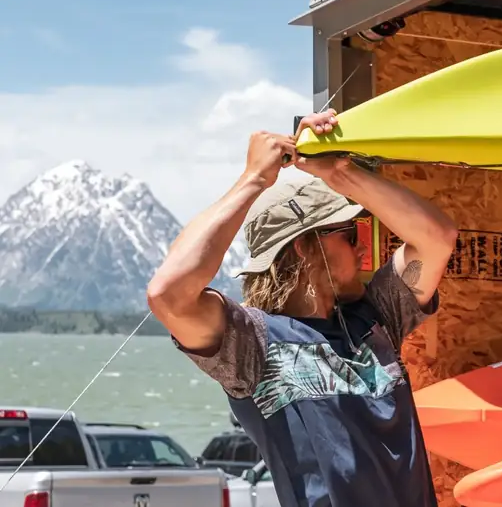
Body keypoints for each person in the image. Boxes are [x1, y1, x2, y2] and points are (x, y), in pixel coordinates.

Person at [146, 109, 458, 507]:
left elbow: (438, 237)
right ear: (305, 247)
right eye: (350, 234)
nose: (363, 246)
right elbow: (167, 293)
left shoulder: (377, 317)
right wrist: (254, 179)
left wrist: (338, 172)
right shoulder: (254, 344)